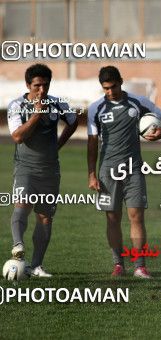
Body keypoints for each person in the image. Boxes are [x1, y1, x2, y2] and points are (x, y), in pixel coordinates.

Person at [87, 66, 161, 278]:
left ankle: (140, 267)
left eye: (113, 86)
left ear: (121, 82)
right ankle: (118, 265)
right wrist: (91, 174)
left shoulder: (138, 101)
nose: (110, 91)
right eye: (105, 88)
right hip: (107, 172)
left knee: (136, 216)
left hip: (133, 169)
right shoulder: (95, 108)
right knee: (112, 218)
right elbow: (92, 142)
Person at [7, 63, 78, 277]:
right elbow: (18, 136)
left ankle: (36, 266)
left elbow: (73, 121)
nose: (42, 90)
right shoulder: (17, 106)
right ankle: (18, 246)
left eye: (45, 85)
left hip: (50, 170)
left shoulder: (57, 104)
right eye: (37, 85)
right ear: (28, 84)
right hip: (25, 168)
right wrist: (37, 115)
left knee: (45, 217)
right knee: (22, 204)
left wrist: (58, 144)